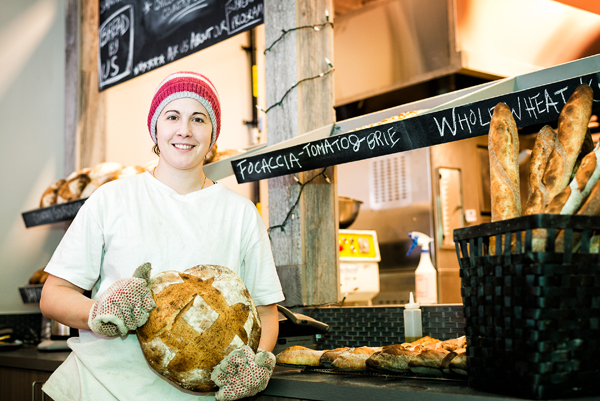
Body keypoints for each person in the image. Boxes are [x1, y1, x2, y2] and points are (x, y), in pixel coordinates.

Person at [39, 71, 285, 401]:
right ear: (155, 127)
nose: (184, 130)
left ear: (213, 135)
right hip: (103, 388)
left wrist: (254, 364)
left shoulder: (241, 213)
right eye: (172, 116)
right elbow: (53, 294)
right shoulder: (111, 198)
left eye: (199, 118)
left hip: (200, 397)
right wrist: (98, 312)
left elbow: (266, 312)